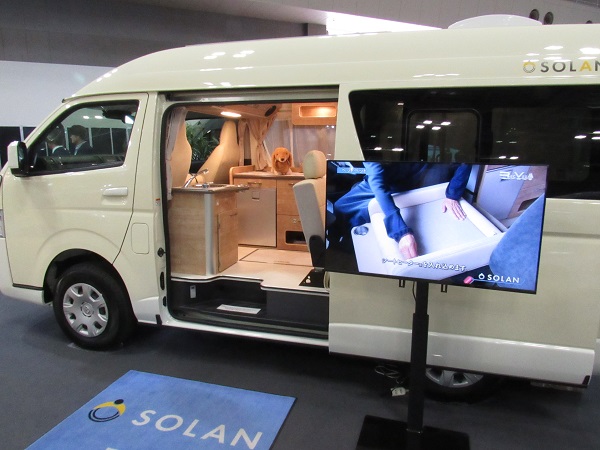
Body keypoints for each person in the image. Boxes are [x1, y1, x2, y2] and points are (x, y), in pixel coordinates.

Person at [333, 162, 471, 259]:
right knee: (340, 207)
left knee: (358, 214)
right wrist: (401, 232)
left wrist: (452, 194)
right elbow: (378, 184)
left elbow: (466, 159)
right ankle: (339, 244)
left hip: (412, 183)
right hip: (381, 183)